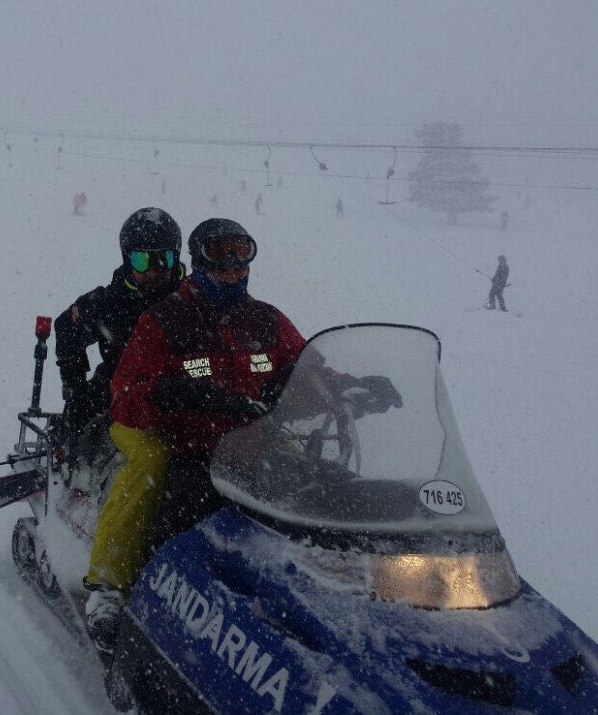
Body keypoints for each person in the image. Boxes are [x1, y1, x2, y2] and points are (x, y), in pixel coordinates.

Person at [84, 218, 400, 652]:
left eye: (240, 256)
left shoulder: (265, 321)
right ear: (198, 262)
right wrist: (180, 393)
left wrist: (349, 388)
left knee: (323, 485)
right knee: (163, 491)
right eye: (220, 258)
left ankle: (359, 592)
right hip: (189, 447)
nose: (232, 269)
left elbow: (309, 373)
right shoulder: (166, 320)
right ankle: (114, 587)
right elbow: (125, 395)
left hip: (255, 441)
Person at [54, 208, 186, 465]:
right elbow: (66, 328)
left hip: (180, 385)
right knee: (80, 411)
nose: (152, 271)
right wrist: (74, 382)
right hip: (117, 383)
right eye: (141, 260)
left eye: (163, 260)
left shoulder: (190, 299)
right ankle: (72, 469)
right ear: (127, 258)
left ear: (176, 258)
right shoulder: (109, 302)